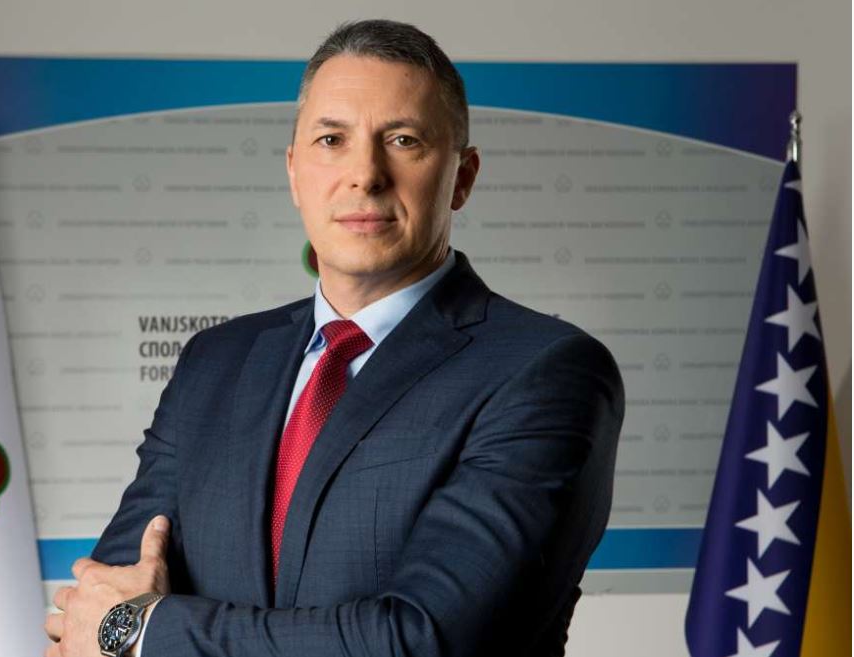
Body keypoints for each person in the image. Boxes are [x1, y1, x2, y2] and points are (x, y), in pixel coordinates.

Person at [44, 19, 624, 657]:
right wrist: (116, 628)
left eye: (403, 140)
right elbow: (89, 615)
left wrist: (146, 631)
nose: (365, 175)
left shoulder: (545, 372)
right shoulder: (216, 362)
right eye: (331, 140)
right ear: (294, 172)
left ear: (462, 176)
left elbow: (422, 639)